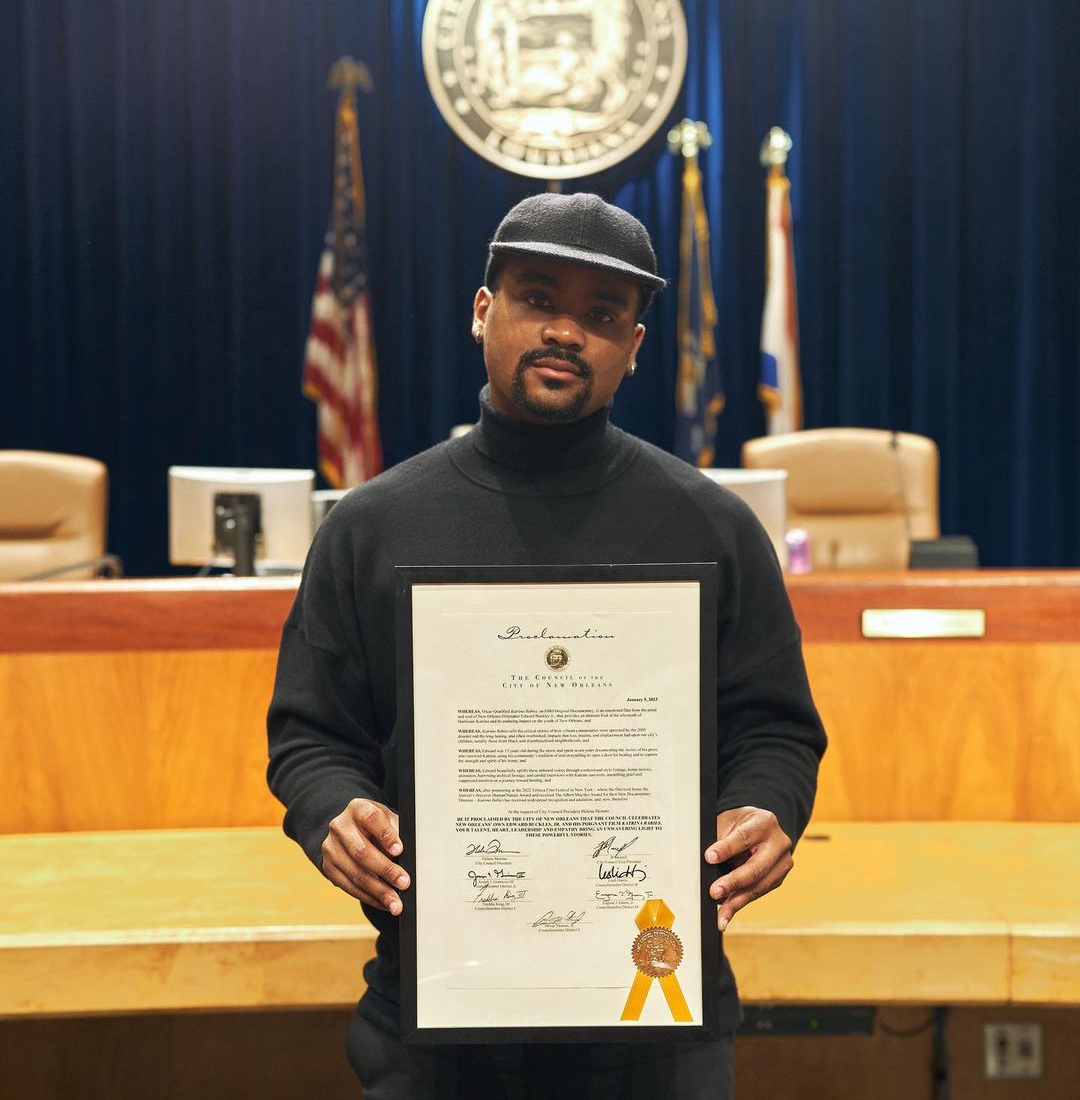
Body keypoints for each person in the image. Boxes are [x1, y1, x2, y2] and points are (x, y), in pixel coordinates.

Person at [267, 192, 827, 1099]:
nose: (567, 330)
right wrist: (331, 808)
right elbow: (310, 735)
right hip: (434, 1025)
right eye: (537, 298)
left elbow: (776, 729)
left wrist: (767, 804)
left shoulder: (713, 526)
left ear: (635, 348)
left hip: (656, 1024)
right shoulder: (373, 528)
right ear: (483, 311)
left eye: (603, 314)